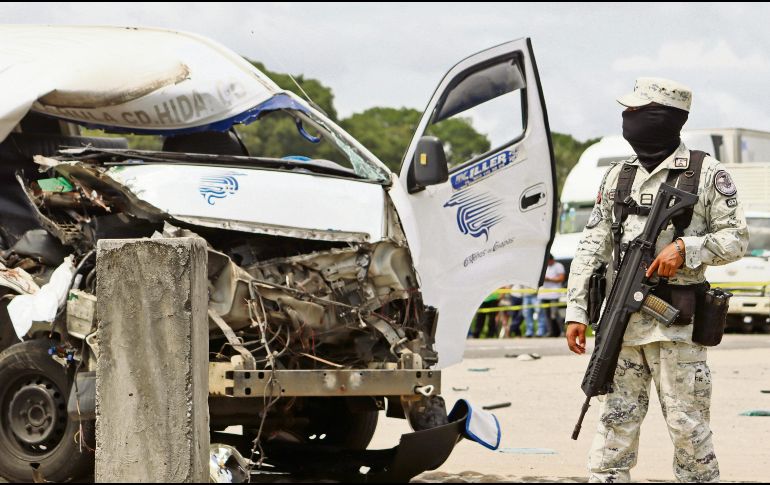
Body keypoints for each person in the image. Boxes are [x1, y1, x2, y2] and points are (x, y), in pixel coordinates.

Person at [565, 77, 749, 483]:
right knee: (614, 429)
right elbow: (592, 247)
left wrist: (686, 249)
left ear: (659, 119)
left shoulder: (705, 174)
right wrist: (576, 310)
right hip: (622, 328)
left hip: (678, 330)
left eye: (635, 112)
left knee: (688, 429)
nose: (626, 119)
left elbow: (737, 239)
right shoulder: (618, 177)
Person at [538, 254, 566, 337]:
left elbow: (561, 278)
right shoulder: (542, 266)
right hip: (543, 294)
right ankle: (551, 332)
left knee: (555, 314)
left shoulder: (558, 266)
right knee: (546, 315)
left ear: (551, 260)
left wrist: (549, 279)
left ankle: (562, 331)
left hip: (554, 294)